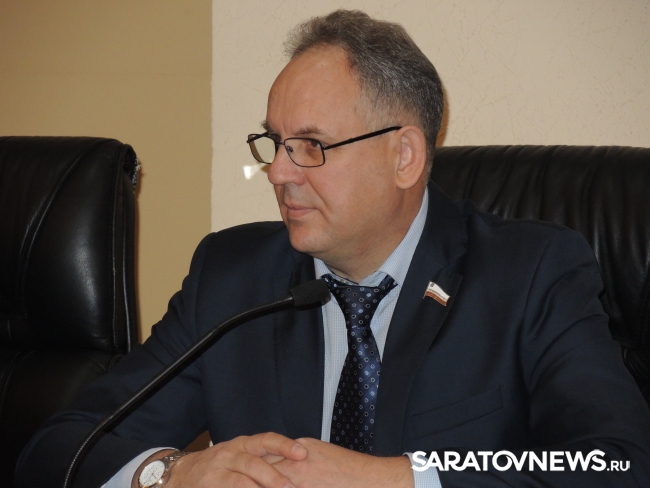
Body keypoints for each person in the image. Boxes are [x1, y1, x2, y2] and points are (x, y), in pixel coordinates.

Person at [16, 9, 650, 488]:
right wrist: (173, 474)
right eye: (274, 143)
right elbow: (56, 449)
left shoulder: (529, 273)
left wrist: (400, 479)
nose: (278, 172)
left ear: (404, 156)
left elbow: (615, 461)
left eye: (312, 146)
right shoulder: (232, 279)